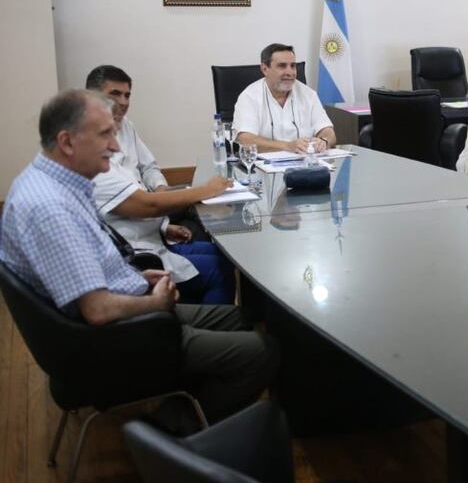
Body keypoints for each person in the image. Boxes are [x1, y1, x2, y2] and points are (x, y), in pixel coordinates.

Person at [0, 90, 279, 431]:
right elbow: (98, 310)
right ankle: (173, 434)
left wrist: (134, 275)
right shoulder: (50, 208)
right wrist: (155, 303)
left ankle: (191, 401)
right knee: (263, 351)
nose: (116, 147)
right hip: (118, 340)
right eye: (105, 135)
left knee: (239, 318)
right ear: (67, 142)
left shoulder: (47, 183)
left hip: (122, 308)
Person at [86, 65, 236, 304]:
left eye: (127, 95)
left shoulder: (126, 125)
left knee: (225, 255)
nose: (124, 102)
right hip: (136, 253)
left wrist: (163, 214)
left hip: (152, 233)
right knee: (218, 270)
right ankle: (213, 328)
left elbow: (148, 168)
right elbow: (146, 204)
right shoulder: (92, 157)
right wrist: (203, 191)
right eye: (115, 94)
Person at [233, 43, 337, 153]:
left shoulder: (308, 94)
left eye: (293, 66)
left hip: (306, 164)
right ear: (264, 69)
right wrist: (287, 146)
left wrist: (323, 140)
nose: (290, 72)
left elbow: (328, 131)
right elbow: (245, 139)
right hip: (263, 167)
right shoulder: (249, 96)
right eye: (282, 66)